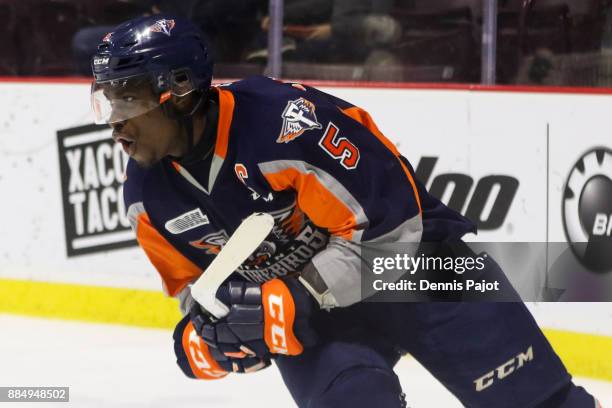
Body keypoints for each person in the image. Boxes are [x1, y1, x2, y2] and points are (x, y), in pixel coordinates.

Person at [90, 14, 599, 408]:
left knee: (542, 403)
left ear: (179, 93)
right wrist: (212, 334)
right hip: (319, 323)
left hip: (421, 272)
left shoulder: (288, 125)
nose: (115, 123)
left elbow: (394, 233)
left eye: (128, 101)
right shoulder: (146, 196)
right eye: (107, 103)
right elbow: (194, 289)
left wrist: (296, 296)